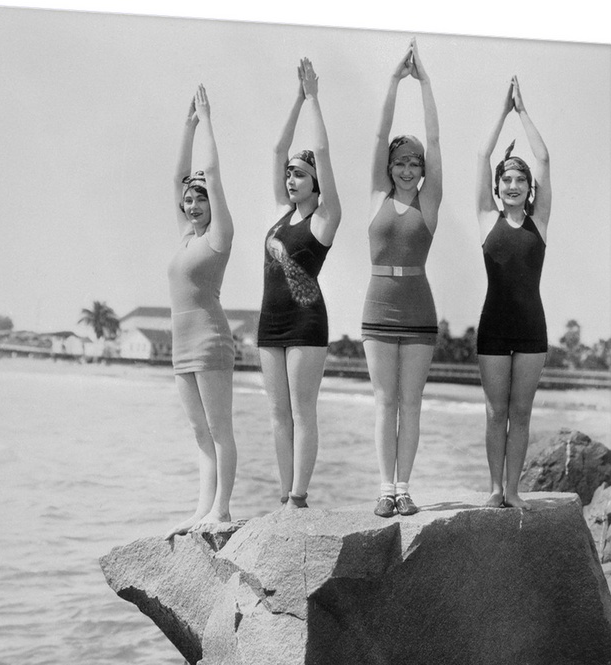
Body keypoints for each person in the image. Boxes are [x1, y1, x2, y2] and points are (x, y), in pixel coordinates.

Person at [361, 38, 442, 517]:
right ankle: (384, 489)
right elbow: (377, 137)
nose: (408, 169)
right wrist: (393, 81)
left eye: (414, 164)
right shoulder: (376, 195)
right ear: (389, 169)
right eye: (400, 163)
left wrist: (426, 83)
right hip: (378, 306)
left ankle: (405, 487)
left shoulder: (428, 203)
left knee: (410, 402)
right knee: (383, 401)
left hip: (418, 309)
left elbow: (435, 141)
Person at [257, 57, 341, 510]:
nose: (291, 179)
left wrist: (314, 100)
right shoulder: (279, 213)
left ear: (316, 183)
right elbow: (276, 150)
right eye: (290, 174)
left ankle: (299, 496)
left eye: (300, 174)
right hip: (270, 323)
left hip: (307, 325)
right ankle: (283, 492)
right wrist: (295, 97)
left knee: (301, 412)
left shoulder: (325, 219)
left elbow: (323, 155)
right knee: (276, 414)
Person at [475, 77, 551, 510]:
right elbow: (482, 156)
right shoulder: (487, 219)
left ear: (529, 188)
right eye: (507, 179)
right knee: (493, 412)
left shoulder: (540, 222)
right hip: (493, 329)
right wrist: (502, 112)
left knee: (520, 414)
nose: (513, 184)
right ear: (498, 185)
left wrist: (523, 111)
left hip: (531, 330)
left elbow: (543, 157)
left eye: (520, 179)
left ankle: (515, 490)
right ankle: (494, 489)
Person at [165, 84, 237, 539]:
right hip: (180, 346)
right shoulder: (187, 237)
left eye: (200, 199)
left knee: (219, 427)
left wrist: (207, 120)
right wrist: (186, 125)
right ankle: (202, 509)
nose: (192, 204)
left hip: (210, 342)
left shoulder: (217, 237)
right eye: (189, 201)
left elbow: (208, 171)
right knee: (199, 432)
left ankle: (223, 510)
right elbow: (178, 179)